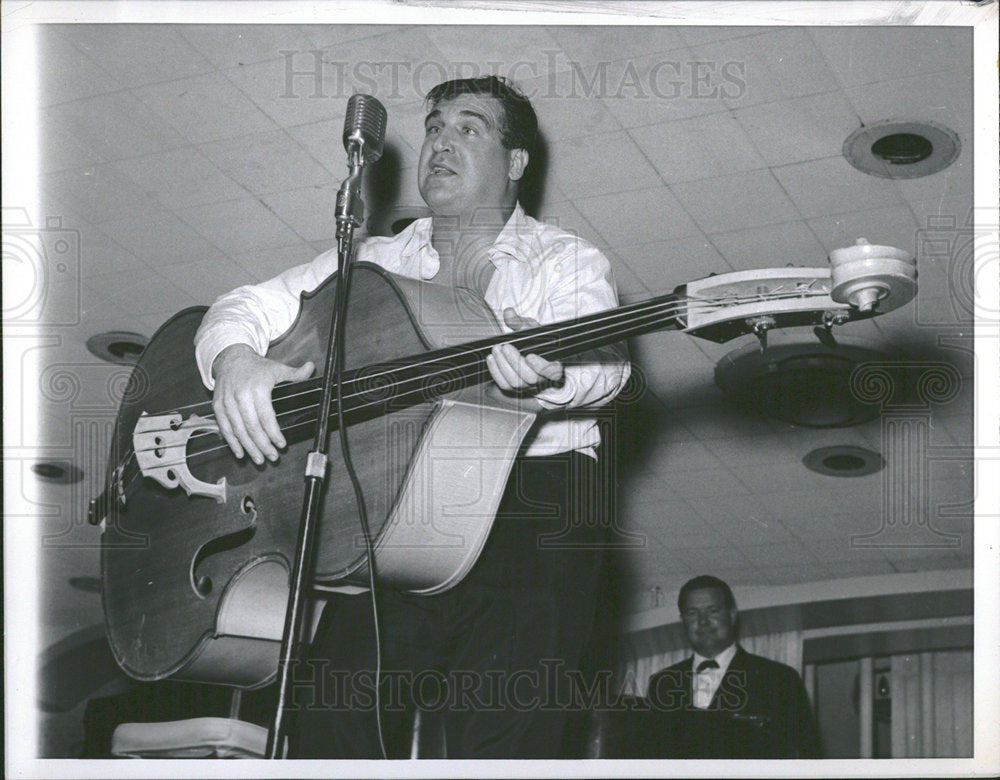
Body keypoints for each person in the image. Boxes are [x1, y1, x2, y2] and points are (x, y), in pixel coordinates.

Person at [193, 75, 630, 758]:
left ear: (516, 162)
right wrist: (236, 364)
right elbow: (238, 309)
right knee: (331, 719)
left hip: (536, 503)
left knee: (506, 732)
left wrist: (550, 377)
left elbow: (606, 362)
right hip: (402, 510)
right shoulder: (371, 260)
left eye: (469, 127)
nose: (440, 142)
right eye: (433, 126)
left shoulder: (566, 260)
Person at [645, 575, 821, 759]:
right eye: (692, 613)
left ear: (731, 615)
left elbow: (805, 754)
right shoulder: (663, 684)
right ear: (683, 621)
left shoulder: (778, 678)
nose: (703, 621)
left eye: (713, 610)